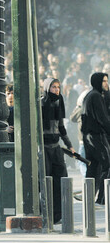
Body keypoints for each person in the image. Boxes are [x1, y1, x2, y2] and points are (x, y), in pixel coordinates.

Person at [41, 78, 75, 224]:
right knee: (45, 181)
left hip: (56, 148)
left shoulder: (59, 102)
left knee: (60, 180)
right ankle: (45, 214)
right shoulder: (41, 104)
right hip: (44, 148)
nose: (56, 90)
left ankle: (58, 214)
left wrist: (69, 145)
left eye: (58, 87)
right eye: (53, 87)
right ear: (47, 88)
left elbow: (61, 127)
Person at [81, 72, 110, 205]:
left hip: (89, 137)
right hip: (97, 136)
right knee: (107, 165)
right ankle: (102, 198)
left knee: (93, 167)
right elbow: (103, 119)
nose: (106, 83)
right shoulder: (96, 96)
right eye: (104, 81)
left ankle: (89, 198)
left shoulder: (90, 95)